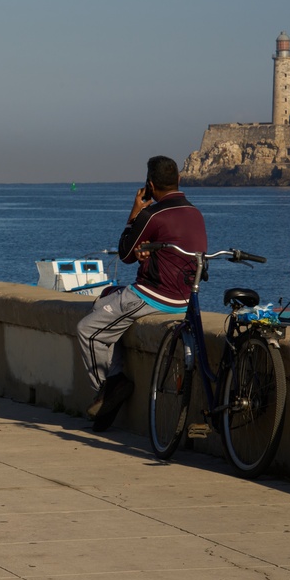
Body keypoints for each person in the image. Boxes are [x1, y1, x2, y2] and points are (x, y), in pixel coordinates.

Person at [77, 156, 207, 432]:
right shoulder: (195, 213)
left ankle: (108, 388)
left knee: (87, 330)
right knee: (103, 300)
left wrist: (135, 212)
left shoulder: (152, 214)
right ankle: (114, 381)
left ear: (149, 185)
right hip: (185, 297)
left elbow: (125, 254)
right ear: (179, 180)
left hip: (155, 295)